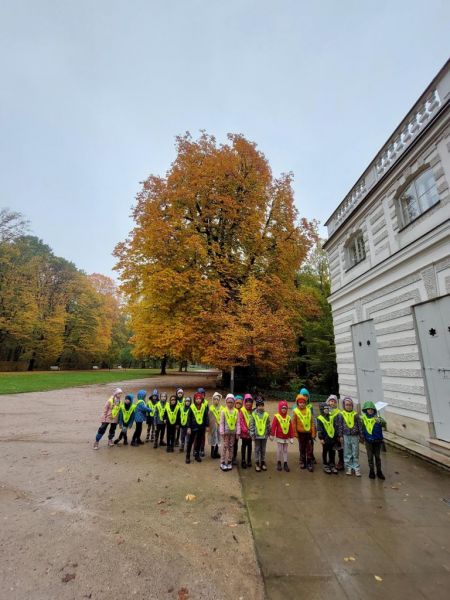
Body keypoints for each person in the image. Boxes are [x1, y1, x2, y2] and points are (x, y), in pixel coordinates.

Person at [338, 396, 363, 477]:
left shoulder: (355, 415)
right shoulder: (341, 414)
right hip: (346, 435)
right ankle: (349, 467)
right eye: (347, 405)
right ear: (344, 405)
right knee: (347, 451)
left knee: (355, 451)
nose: (348, 406)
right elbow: (340, 426)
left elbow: (359, 425)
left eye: (350, 405)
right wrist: (340, 435)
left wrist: (361, 435)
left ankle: (356, 467)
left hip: (355, 436)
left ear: (352, 405)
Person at [361, 401, 386, 480]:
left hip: (377, 441)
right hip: (368, 441)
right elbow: (362, 429)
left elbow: (384, 424)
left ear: (374, 410)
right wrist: (362, 438)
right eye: (368, 409)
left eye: (372, 409)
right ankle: (371, 471)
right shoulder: (363, 418)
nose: (370, 410)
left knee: (377, 457)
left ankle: (379, 472)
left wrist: (380, 421)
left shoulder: (378, 417)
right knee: (370, 457)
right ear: (366, 410)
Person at [292, 393, 316, 472]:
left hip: (308, 433)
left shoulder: (308, 410)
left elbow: (312, 422)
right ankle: (303, 461)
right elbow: (294, 423)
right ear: (297, 403)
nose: (302, 404)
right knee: (302, 448)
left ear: (305, 403)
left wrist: (313, 432)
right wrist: (295, 433)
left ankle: (309, 462)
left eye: (303, 402)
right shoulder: (295, 411)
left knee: (309, 448)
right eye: (300, 402)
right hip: (300, 433)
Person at [270, 400, 295, 472]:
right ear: (280, 408)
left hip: (286, 437)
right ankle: (279, 462)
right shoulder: (277, 416)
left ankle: (285, 463)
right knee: (279, 450)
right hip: (279, 436)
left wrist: (291, 437)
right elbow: (273, 426)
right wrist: (272, 435)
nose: (284, 409)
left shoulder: (288, 417)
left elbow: (291, 428)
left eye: (285, 408)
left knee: (285, 450)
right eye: (282, 408)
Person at [186, 392, 209, 464]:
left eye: (199, 399)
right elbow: (189, 418)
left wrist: (207, 425)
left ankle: (197, 455)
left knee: (199, 441)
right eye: (197, 399)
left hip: (201, 427)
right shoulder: (192, 407)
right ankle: (188, 456)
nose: (198, 400)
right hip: (193, 427)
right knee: (190, 441)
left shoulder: (204, 407)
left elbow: (206, 417)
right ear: (194, 399)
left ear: (201, 399)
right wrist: (189, 427)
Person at [219, 394, 241, 471]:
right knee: (225, 446)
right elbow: (221, 422)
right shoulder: (223, 411)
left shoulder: (236, 411)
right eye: (228, 402)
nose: (230, 404)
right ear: (226, 402)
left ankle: (229, 461)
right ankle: (222, 462)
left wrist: (238, 432)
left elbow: (238, 423)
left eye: (231, 402)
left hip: (233, 433)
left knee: (231, 447)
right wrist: (222, 431)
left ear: (234, 402)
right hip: (225, 433)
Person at [317, 402, 339, 474]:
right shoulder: (320, 418)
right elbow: (319, 429)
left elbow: (335, 426)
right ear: (321, 409)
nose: (326, 410)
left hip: (332, 438)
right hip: (325, 439)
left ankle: (332, 464)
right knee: (325, 451)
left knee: (332, 452)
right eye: (325, 408)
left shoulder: (332, 417)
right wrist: (321, 438)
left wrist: (337, 436)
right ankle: (325, 464)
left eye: (327, 408)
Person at [250, 397, 270, 472]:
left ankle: (263, 461)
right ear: (257, 406)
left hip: (264, 436)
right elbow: (251, 425)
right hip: (257, 436)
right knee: (257, 449)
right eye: (259, 406)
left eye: (262, 405)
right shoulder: (253, 414)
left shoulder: (266, 414)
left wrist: (269, 433)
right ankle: (257, 462)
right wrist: (252, 434)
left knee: (263, 449)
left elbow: (268, 424)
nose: (260, 407)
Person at [327, 394, 344, 470]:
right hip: (330, 434)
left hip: (337, 434)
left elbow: (341, 424)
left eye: (334, 401)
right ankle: (331, 461)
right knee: (331, 449)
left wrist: (340, 435)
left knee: (340, 449)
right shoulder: (326, 412)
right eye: (331, 401)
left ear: (336, 403)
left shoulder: (339, 413)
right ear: (328, 402)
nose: (332, 403)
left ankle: (341, 462)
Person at [239, 394, 253, 468]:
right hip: (244, 433)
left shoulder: (252, 411)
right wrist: (246, 430)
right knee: (244, 446)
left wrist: (252, 430)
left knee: (250, 446)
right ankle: (243, 460)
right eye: (247, 402)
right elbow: (241, 421)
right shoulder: (242, 410)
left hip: (250, 433)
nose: (248, 403)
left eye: (250, 402)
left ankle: (249, 460)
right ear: (244, 402)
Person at [209, 392, 222, 459]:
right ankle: (212, 453)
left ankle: (216, 452)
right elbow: (209, 418)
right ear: (213, 400)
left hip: (219, 427)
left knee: (218, 439)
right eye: (215, 399)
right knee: (213, 439)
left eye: (217, 399)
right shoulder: (211, 408)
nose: (216, 401)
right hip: (213, 426)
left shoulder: (221, 408)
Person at [232, 395, 243, 465]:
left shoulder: (242, 411)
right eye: (237, 403)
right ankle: (230, 456)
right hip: (231, 430)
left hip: (237, 431)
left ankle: (234, 457)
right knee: (230, 444)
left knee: (235, 444)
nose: (238, 404)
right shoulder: (232, 410)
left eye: (239, 403)